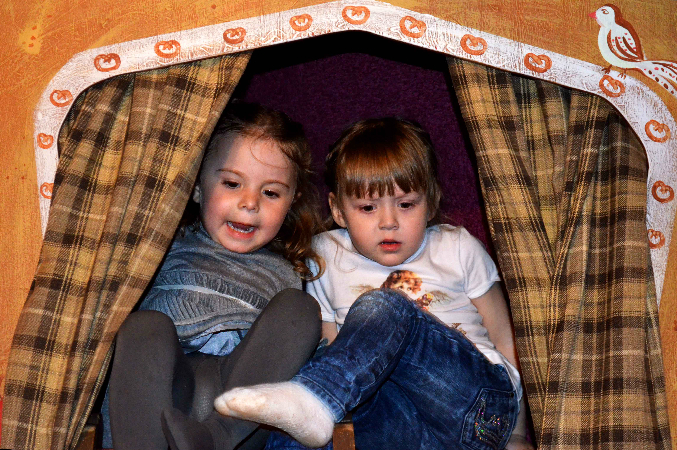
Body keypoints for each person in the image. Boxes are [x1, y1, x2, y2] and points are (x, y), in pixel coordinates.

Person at [213, 118, 535, 450]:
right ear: (338, 211)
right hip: (404, 427)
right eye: (367, 208)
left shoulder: (457, 246)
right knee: (293, 430)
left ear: (431, 202)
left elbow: (506, 337)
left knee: (386, 304)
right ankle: (314, 405)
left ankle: (316, 399)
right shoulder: (326, 254)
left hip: (477, 409)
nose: (388, 222)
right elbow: (333, 349)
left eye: (406, 204)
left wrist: (516, 434)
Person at [107, 102, 324, 450]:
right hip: (165, 398)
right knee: (143, 326)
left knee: (300, 308)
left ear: (290, 203)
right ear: (196, 186)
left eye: (270, 192)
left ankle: (216, 437)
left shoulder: (291, 268)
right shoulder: (161, 246)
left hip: (239, 416)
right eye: (232, 183)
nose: (250, 203)